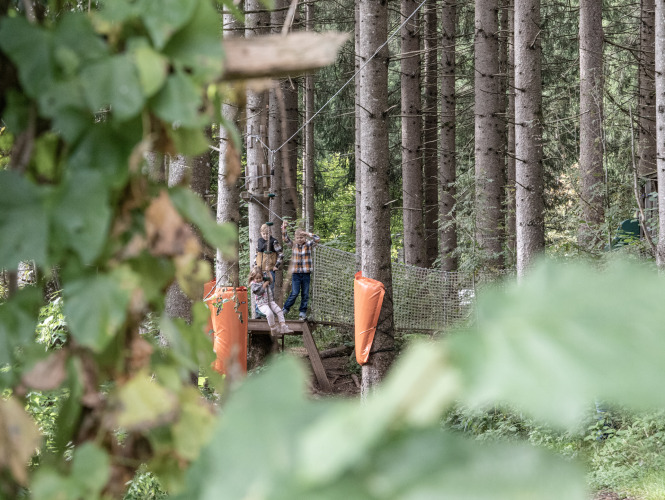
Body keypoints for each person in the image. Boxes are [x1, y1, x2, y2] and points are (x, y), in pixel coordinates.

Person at [281, 220, 320, 320]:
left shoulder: (308, 245)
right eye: (298, 238)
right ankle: (285, 308)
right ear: (295, 238)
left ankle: (302, 312)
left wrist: (307, 233)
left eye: (301, 237)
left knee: (305, 293)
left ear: (305, 238)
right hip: (296, 274)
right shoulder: (293, 245)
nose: (299, 239)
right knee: (295, 292)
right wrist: (284, 227)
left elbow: (317, 239)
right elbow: (285, 239)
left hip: (306, 273)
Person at [248, 267, 293, 337]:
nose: (259, 279)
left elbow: (271, 280)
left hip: (270, 301)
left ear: (262, 276)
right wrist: (265, 284)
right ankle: (273, 328)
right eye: (257, 278)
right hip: (262, 304)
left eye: (260, 278)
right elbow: (260, 292)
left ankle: (283, 326)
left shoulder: (263, 280)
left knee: (279, 311)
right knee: (269, 313)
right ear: (253, 278)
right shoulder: (253, 285)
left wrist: (268, 272)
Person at [254, 223, 283, 317]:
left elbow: (281, 254)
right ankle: (258, 311)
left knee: (269, 290)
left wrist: (276, 265)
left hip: (269, 269)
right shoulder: (259, 241)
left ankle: (269, 311)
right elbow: (256, 254)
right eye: (264, 234)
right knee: (258, 289)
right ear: (261, 233)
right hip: (260, 270)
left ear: (271, 233)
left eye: (267, 234)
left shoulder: (274, 242)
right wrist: (255, 265)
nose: (266, 236)